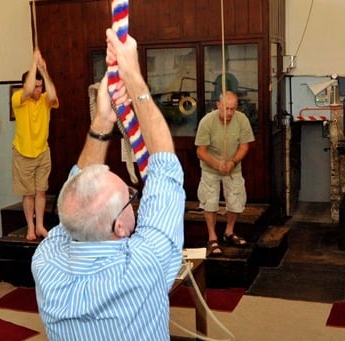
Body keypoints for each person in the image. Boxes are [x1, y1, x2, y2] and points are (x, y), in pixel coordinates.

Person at [31, 28, 183, 340]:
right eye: (129, 196)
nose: (133, 195)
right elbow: (165, 166)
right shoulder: (145, 264)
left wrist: (103, 120)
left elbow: (75, 199)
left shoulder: (47, 263)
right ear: (119, 228)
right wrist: (135, 78)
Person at [195, 90, 255, 255]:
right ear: (218, 105)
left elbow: (244, 146)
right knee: (209, 201)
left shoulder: (242, 120)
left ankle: (229, 231)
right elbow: (201, 151)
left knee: (236, 199)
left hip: (233, 167)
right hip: (210, 167)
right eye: (226, 108)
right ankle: (212, 237)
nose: (229, 113)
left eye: (233, 109)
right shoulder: (207, 122)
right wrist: (216, 164)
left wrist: (233, 162)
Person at [12, 49, 60, 241]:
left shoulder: (44, 102)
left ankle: (40, 225)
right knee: (28, 194)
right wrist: (33, 63)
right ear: (26, 85)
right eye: (35, 86)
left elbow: (53, 93)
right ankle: (30, 228)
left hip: (42, 152)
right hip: (23, 153)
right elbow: (28, 88)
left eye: (40, 86)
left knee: (41, 191)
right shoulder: (19, 99)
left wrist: (44, 70)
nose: (38, 90)